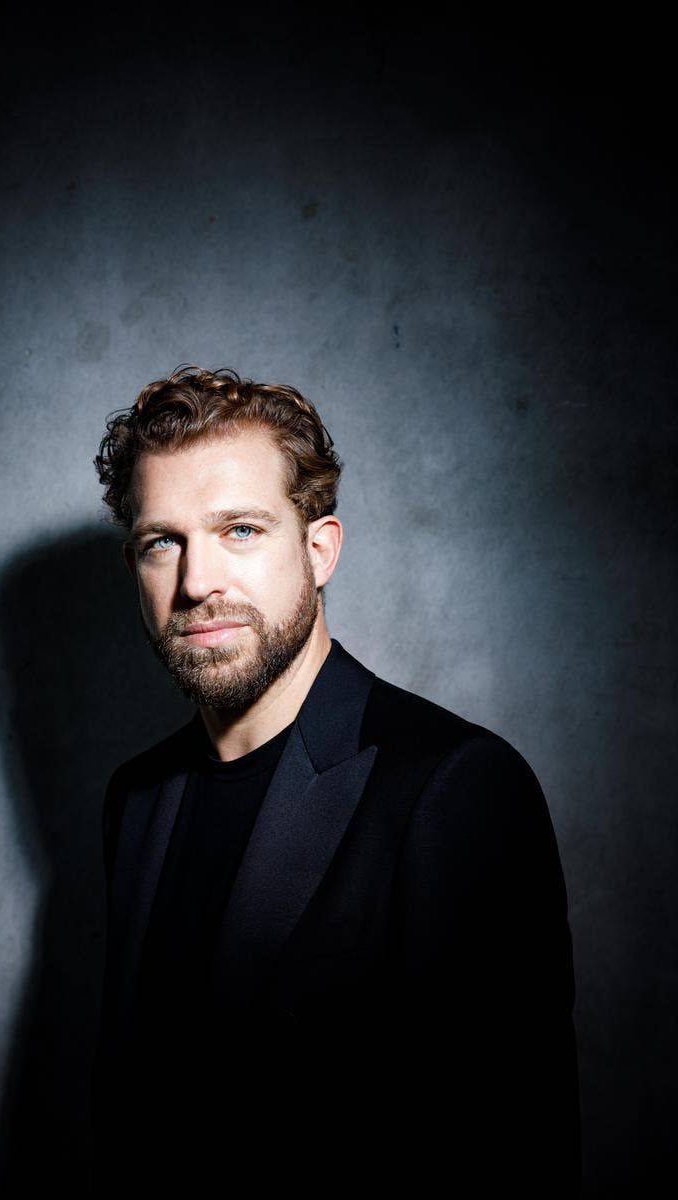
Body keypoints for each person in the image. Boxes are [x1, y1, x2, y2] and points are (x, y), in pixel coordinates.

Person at [91, 366, 580, 1195]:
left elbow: (516, 1153)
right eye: (161, 541)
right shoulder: (136, 798)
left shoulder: (456, 789)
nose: (198, 582)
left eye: (240, 530)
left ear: (319, 550)